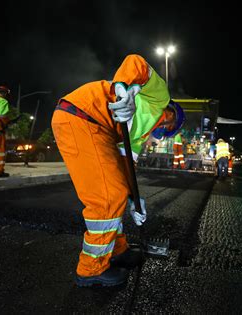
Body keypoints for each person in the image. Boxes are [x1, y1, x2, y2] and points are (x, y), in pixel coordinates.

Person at [51, 54, 185, 287]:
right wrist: (125, 89)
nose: (163, 134)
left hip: (96, 126)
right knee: (107, 198)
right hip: (83, 117)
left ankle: (117, 250)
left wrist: (134, 200)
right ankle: (90, 269)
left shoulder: (139, 134)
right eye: (169, 129)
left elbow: (126, 169)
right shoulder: (159, 99)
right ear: (172, 117)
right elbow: (136, 62)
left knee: (118, 192)